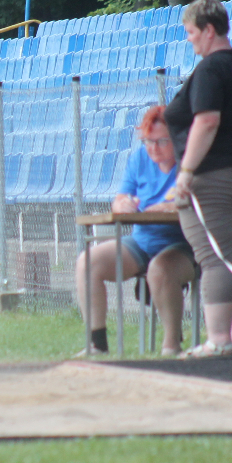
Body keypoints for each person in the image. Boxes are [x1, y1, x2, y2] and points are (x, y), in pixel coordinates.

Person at [164, 0, 232, 360]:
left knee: (214, 258)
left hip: (214, 174)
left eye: (191, 33)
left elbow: (207, 121)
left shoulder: (210, 69)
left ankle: (219, 339)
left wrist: (187, 172)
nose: (189, 40)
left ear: (208, 30)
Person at [75, 106, 196, 356]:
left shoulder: (191, 160)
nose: (153, 148)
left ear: (176, 138)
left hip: (183, 244)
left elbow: (201, 202)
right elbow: (120, 198)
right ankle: (97, 344)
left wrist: (172, 206)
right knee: (88, 262)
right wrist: (123, 204)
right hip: (142, 242)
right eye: (148, 141)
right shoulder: (139, 159)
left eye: (161, 141)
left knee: (160, 270)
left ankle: (171, 346)